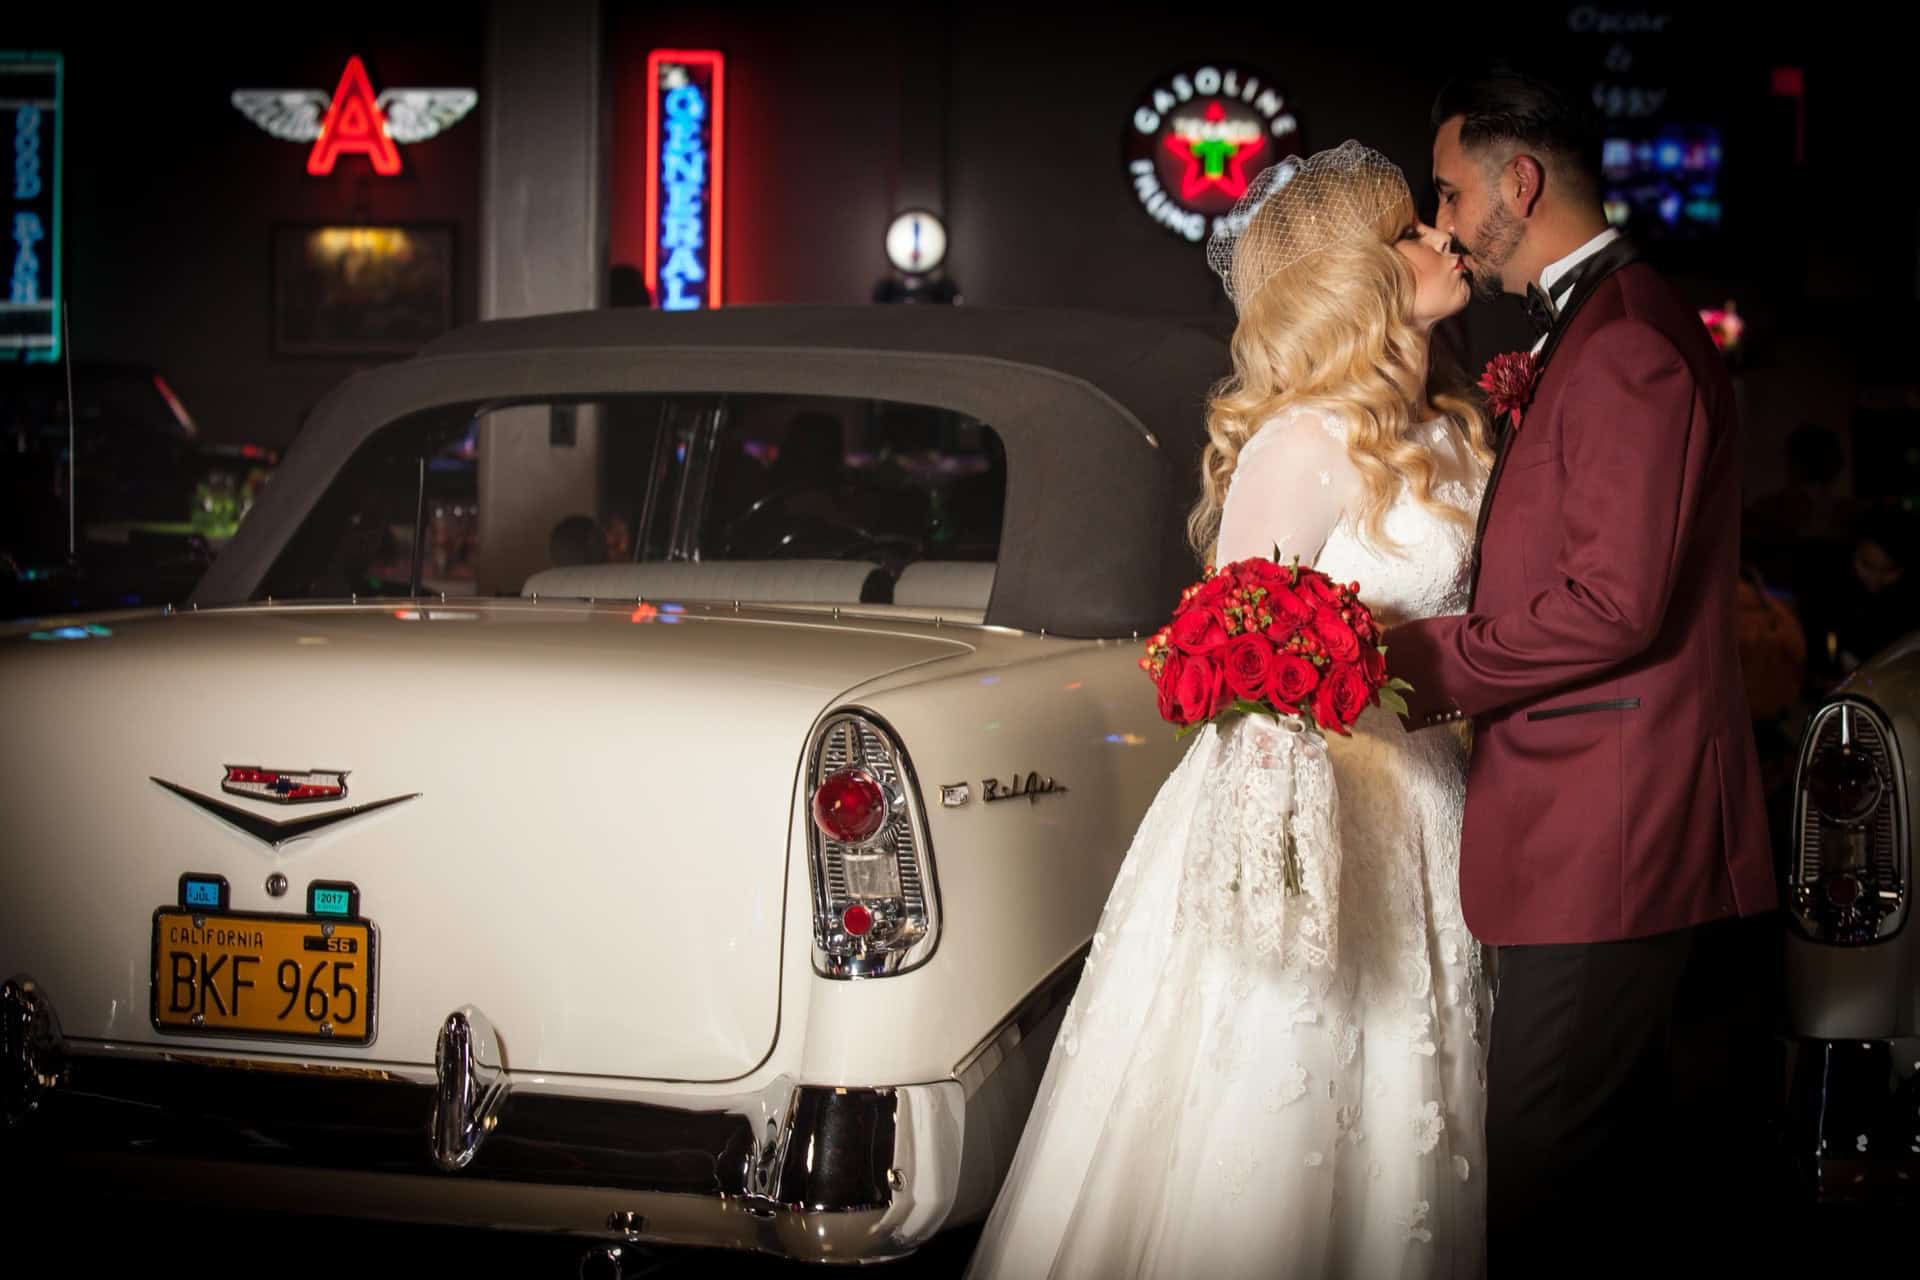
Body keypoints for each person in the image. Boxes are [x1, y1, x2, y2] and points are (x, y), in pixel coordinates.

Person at [967, 140, 1492, 1277]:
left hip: (1430, 810)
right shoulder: (1300, 443)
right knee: (1281, 1099)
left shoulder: (1454, 429)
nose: (1443, 236)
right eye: (1411, 229)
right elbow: (1242, 661)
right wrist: (1283, 863)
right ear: (1359, 273)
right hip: (1314, 813)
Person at [1384, 67, 1776, 1274]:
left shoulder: (1629, 345)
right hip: (1584, 813)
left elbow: (1610, 608)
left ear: (1521, 181)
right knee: (1601, 1163)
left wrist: (1410, 661)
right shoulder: (1603, 326)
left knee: (1543, 1163)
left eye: (1450, 192)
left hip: (1609, 822)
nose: (1443, 222)